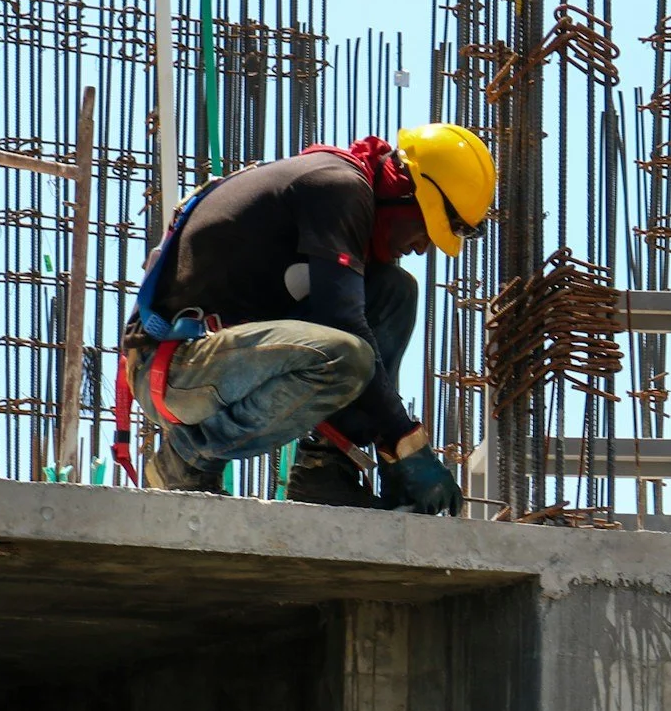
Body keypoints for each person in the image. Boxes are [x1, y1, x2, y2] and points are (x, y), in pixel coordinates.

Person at [116, 123, 494, 512]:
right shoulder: (338, 188)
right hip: (176, 367)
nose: (421, 247)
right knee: (346, 355)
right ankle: (188, 457)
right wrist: (406, 443)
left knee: (395, 292)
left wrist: (391, 450)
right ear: (404, 194)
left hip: (223, 359)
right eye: (425, 229)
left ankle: (326, 469)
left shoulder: (339, 186)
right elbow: (345, 325)